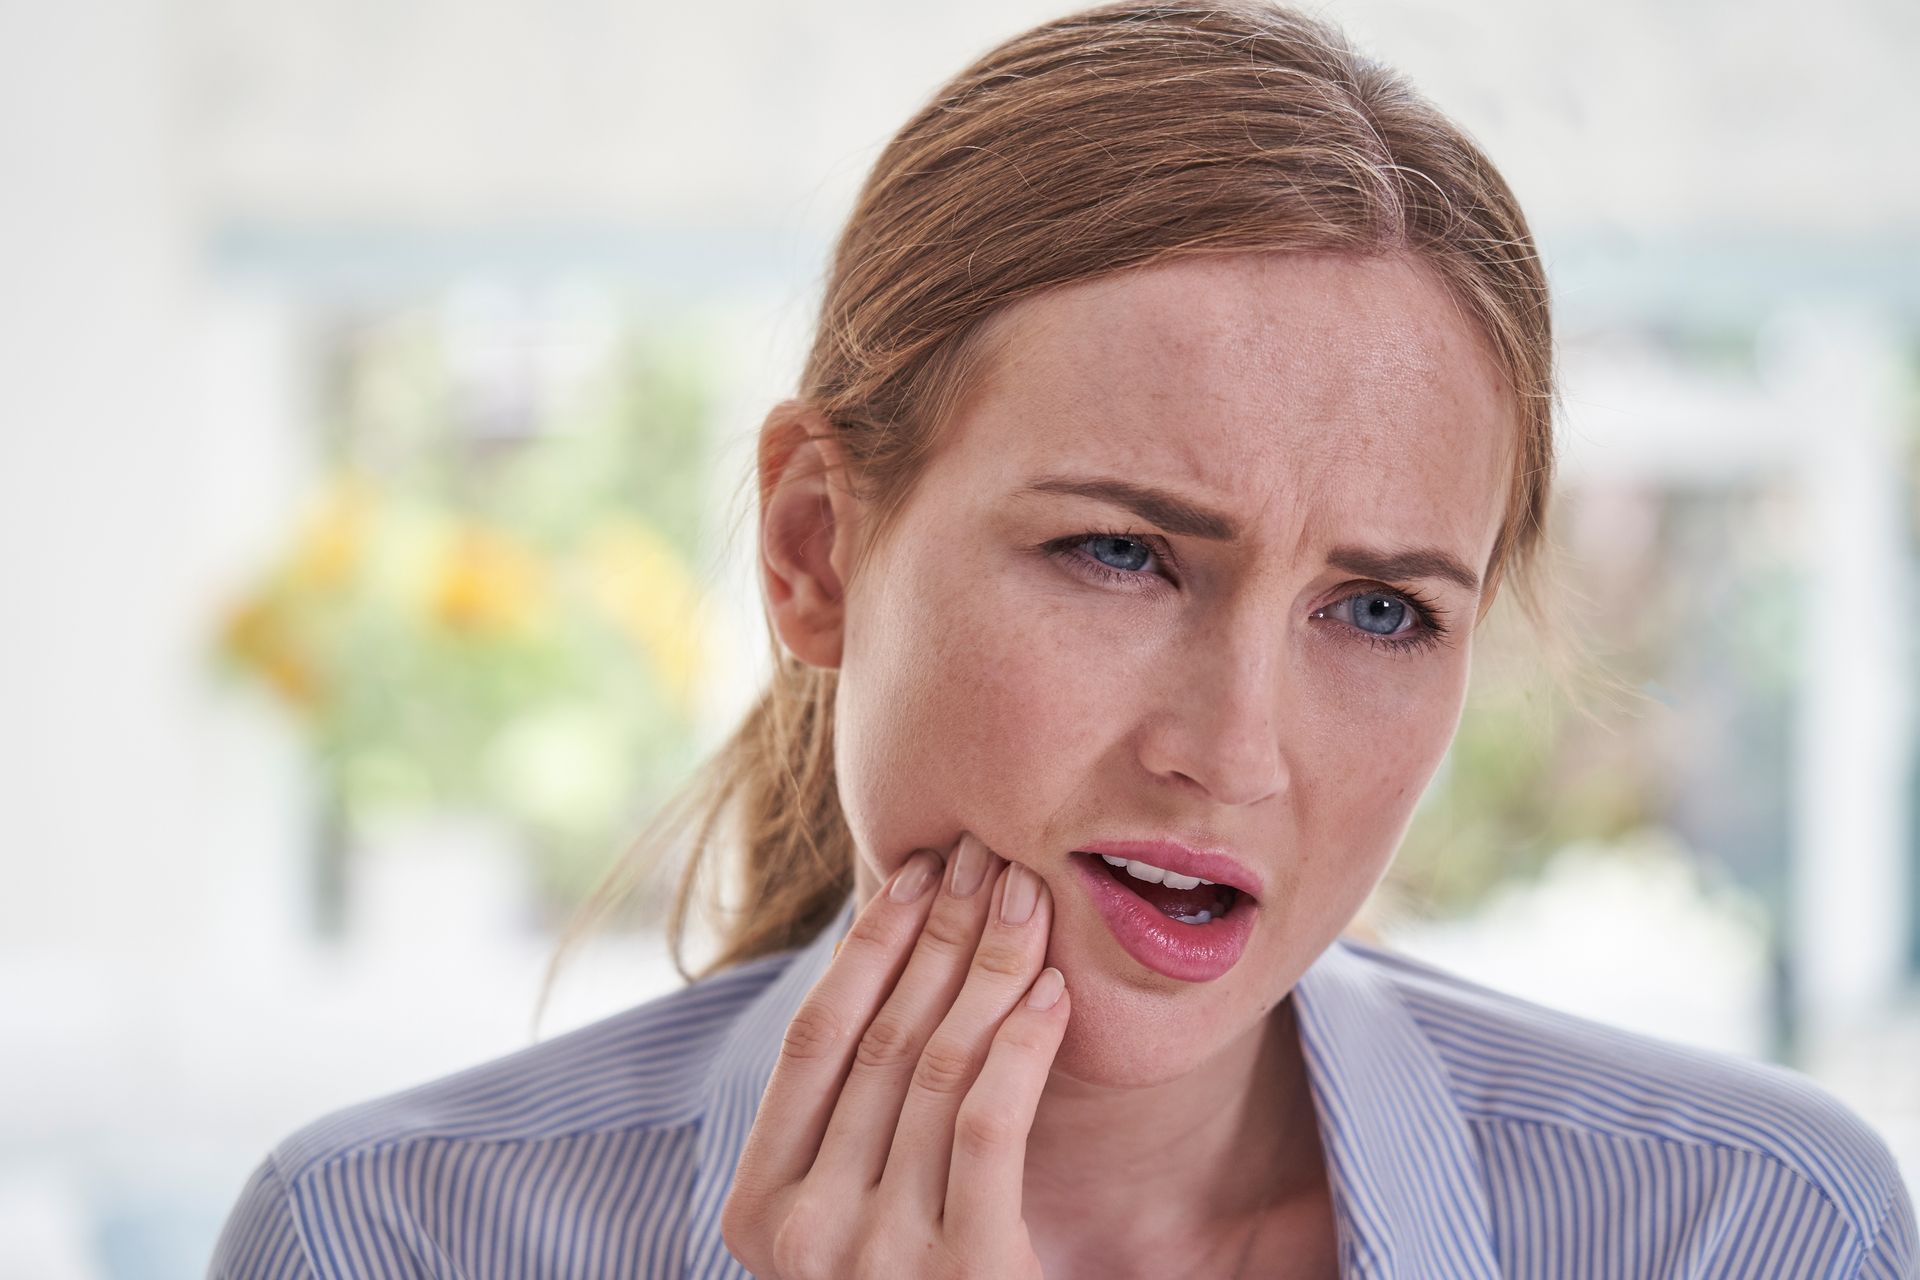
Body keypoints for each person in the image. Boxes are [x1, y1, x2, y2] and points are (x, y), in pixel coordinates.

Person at [208, 1, 1919, 1276]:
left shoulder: (1743, 1229)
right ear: (815, 546)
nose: (1234, 749)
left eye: (1379, 609)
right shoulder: (389, 1241)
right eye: (1120, 553)